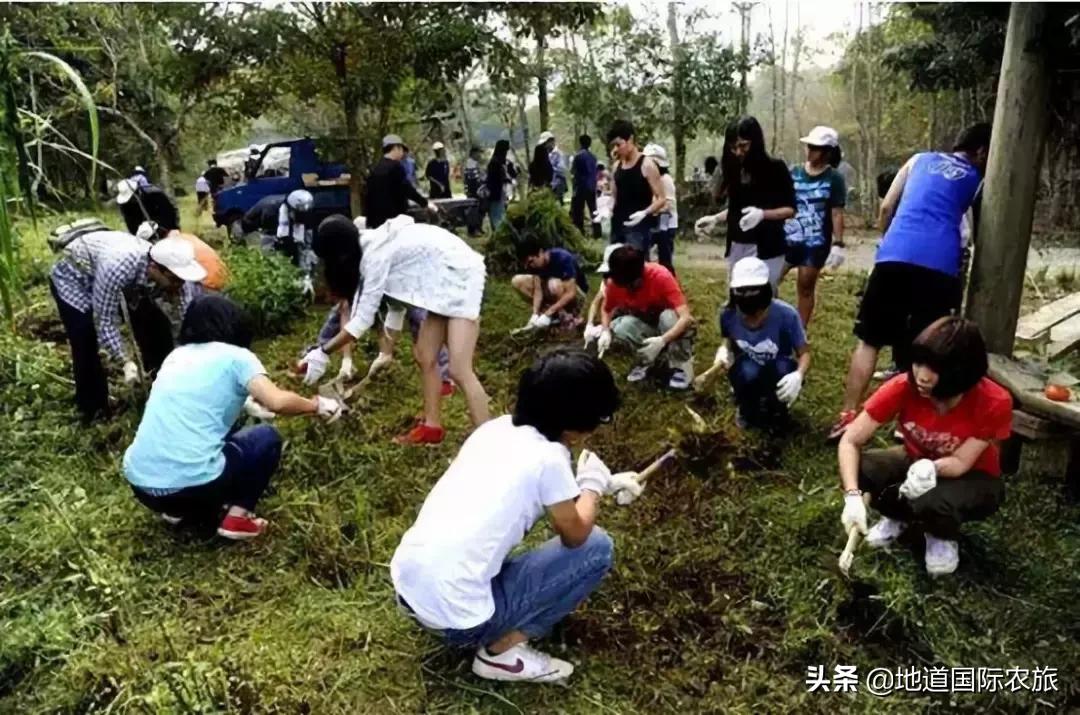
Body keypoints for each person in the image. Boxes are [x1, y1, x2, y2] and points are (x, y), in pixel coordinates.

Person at [391, 348, 622, 683]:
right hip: (458, 623)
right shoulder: (550, 460)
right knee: (597, 548)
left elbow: (554, 493)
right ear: (575, 424)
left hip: (409, 590)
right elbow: (576, 534)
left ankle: (485, 624)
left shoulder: (496, 429)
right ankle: (501, 653)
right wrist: (593, 488)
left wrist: (607, 483)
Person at [123, 295, 342, 540]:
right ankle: (238, 518)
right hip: (193, 488)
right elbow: (277, 402)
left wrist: (247, 403)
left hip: (141, 485)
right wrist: (315, 405)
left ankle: (177, 511)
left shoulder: (176, 356)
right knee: (266, 438)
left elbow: (200, 401)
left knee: (205, 429)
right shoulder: (237, 357)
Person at [828, 123, 991, 441]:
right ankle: (910, 427)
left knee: (869, 340)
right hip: (940, 266)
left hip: (895, 255)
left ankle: (848, 415)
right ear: (982, 151)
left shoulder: (918, 160)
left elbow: (887, 205)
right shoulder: (980, 180)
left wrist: (892, 239)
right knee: (928, 349)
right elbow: (976, 233)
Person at [838, 317, 1010, 576]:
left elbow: (962, 462)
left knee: (931, 499)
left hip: (974, 476)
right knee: (865, 468)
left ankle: (941, 536)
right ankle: (898, 517)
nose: (923, 376)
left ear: (961, 371)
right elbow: (851, 440)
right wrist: (852, 496)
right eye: (918, 362)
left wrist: (932, 468)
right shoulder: (903, 387)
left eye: (936, 368)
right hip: (915, 458)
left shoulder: (993, 401)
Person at [299, 216, 489, 445]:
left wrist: (323, 352)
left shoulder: (374, 257)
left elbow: (361, 321)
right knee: (425, 356)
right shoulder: (366, 249)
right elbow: (397, 306)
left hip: (460, 272)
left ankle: (488, 440)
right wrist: (385, 352)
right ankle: (432, 427)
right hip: (440, 281)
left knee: (459, 369)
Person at [49, 232, 209, 422]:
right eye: (175, 280)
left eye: (181, 280)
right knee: (85, 337)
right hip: (75, 277)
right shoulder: (117, 268)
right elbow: (105, 320)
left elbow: (181, 318)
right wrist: (125, 361)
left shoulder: (176, 280)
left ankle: (160, 382)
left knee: (153, 320)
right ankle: (94, 410)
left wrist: (187, 358)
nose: (179, 285)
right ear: (155, 269)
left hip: (114, 274)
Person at [310, 215, 453, 397]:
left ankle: (445, 376)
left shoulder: (373, 257)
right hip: (397, 283)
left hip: (425, 272)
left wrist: (385, 351)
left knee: (421, 317)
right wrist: (349, 358)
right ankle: (316, 354)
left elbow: (371, 316)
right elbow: (351, 309)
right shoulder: (349, 264)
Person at [715, 257, 810, 429]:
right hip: (747, 366)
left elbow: (804, 352)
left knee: (782, 370)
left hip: (778, 366)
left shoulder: (787, 315)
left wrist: (799, 375)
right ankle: (747, 407)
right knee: (746, 371)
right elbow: (728, 337)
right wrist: (723, 349)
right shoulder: (727, 314)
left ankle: (777, 407)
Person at [705, 116, 796, 290]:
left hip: (768, 246)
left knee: (763, 297)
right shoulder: (732, 171)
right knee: (737, 295)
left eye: (743, 145)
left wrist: (763, 215)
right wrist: (716, 218)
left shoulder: (775, 169)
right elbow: (736, 209)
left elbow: (790, 209)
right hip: (738, 244)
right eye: (733, 148)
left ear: (756, 142)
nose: (739, 152)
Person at [593, 244, 695, 389]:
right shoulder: (615, 283)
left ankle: (680, 366)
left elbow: (686, 317)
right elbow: (606, 309)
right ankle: (645, 360)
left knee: (669, 318)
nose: (627, 289)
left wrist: (662, 340)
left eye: (630, 285)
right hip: (644, 321)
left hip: (668, 324)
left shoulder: (661, 276)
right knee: (621, 326)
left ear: (640, 275)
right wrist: (605, 331)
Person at [781, 126, 847, 326]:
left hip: (815, 242)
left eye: (816, 148)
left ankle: (799, 332)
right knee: (770, 279)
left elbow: (836, 213)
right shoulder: (794, 172)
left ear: (827, 152)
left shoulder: (834, 178)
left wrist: (838, 243)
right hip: (788, 237)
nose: (810, 151)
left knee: (805, 286)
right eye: (809, 146)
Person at [606, 120, 666, 252]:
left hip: (638, 229)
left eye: (618, 144)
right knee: (614, 266)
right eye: (613, 146)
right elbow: (613, 197)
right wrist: (606, 209)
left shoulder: (647, 164)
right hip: (617, 226)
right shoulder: (617, 166)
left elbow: (661, 198)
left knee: (634, 267)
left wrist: (645, 212)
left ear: (630, 140)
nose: (616, 149)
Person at [365, 134, 439, 230]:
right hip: (393, 222)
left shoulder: (375, 169)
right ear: (396, 147)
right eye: (401, 149)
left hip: (377, 223)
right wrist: (425, 203)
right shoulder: (395, 167)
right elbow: (406, 189)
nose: (403, 153)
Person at [512, 241, 587, 331]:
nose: (530, 266)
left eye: (531, 261)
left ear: (540, 252)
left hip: (575, 295)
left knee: (553, 284)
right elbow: (538, 290)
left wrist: (549, 312)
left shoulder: (562, 258)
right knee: (517, 281)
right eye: (527, 264)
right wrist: (535, 314)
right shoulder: (534, 266)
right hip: (554, 295)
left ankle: (569, 315)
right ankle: (552, 315)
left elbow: (571, 293)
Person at [642, 143, 678, 275]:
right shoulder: (651, 180)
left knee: (665, 258)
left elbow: (668, 204)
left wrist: (651, 210)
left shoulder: (665, 179)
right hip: (653, 222)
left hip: (666, 225)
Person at [570, 135, 601, 239]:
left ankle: (580, 231)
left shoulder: (578, 156)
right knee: (593, 209)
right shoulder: (593, 157)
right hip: (592, 185)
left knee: (578, 210)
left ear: (580, 143)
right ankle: (597, 232)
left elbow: (573, 171)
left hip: (581, 186)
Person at [485, 139, 511, 230]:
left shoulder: (499, 162)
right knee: (497, 216)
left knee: (500, 213)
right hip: (495, 193)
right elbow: (493, 180)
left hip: (500, 193)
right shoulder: (495, 163)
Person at [547, 132, 568, 205]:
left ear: (552, 142)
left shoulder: (558, 154)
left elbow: (562, 169)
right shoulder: (546, 154)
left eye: (547, 143)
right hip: (549, 184)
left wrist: (550, 167)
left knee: (558, 204)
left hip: (557, 183)